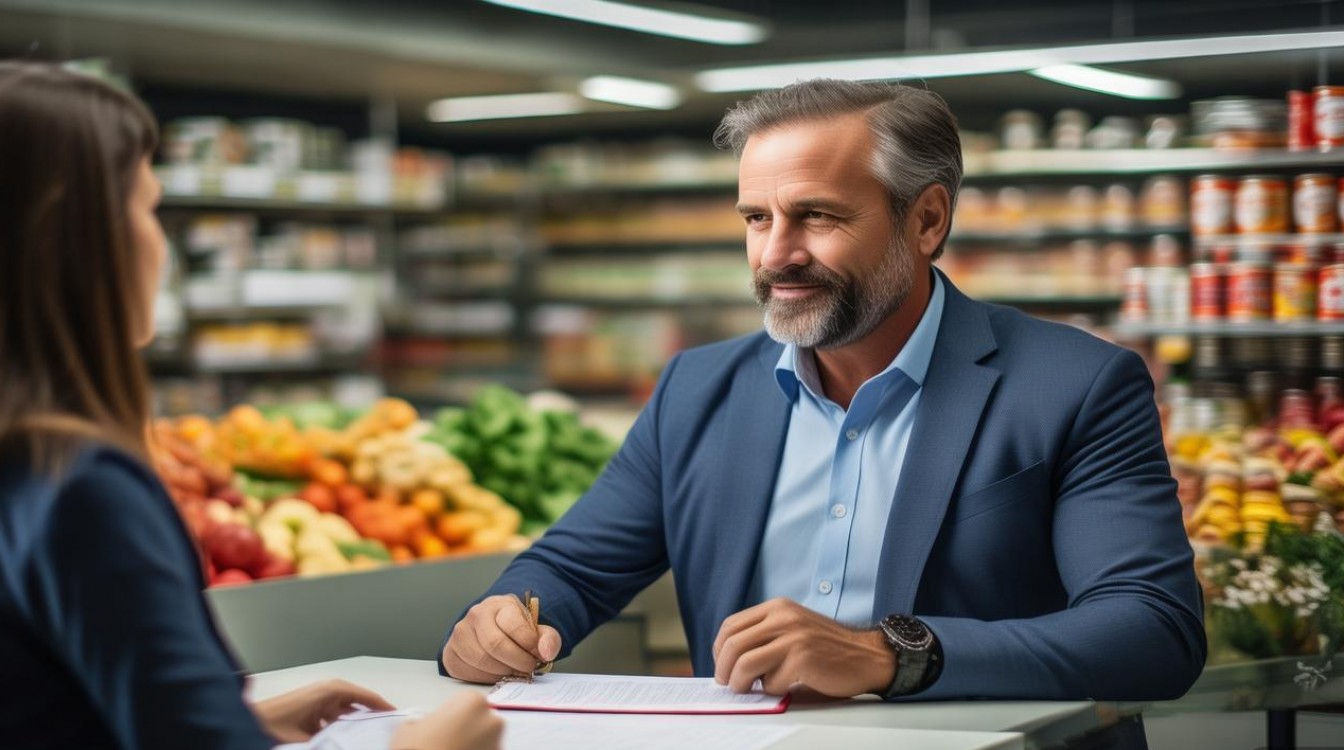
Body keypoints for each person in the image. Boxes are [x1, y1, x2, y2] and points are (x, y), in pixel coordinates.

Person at [441, 78, 1205, 715]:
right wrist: (504, 620)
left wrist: (887, 654)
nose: (776, 255)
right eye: (756, 218)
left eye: (818, 216)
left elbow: (1152, 631)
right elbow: (571, 572)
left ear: (928, 219)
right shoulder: (698, 389)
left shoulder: (1075, 384)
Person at [0, 61, 503, 750]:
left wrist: (232, 722)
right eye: (146, 208)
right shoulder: (85, 488)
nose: (162, 244)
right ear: (71, 239)